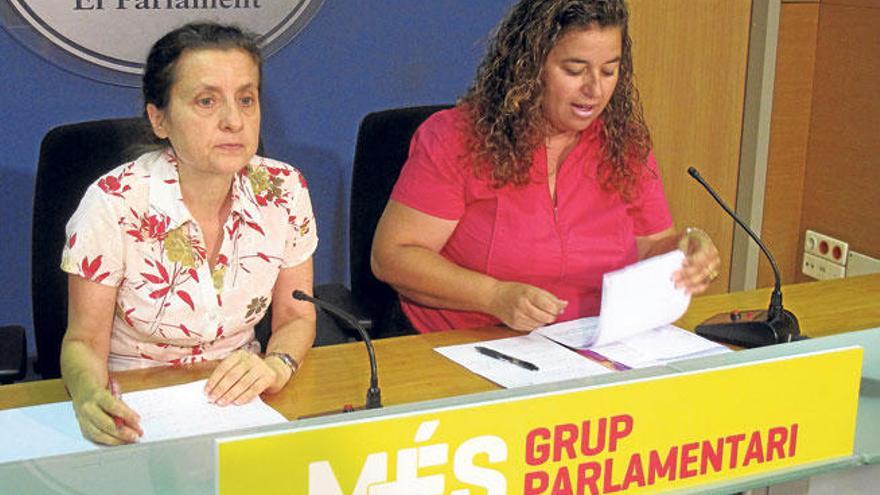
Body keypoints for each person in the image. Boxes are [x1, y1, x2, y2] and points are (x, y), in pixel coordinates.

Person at [372, 0, 720, 334]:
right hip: (463, 344)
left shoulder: (624, 143)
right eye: (574, 70)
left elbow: (647, 246)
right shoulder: (457, 138)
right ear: (530, 64)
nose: (594, 89)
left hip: (587, 344)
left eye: (609, 70)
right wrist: (493, 296)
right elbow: (394, 256)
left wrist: (684, 250)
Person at [59, 23, 318, 445]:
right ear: (158, 119)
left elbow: (296, 316)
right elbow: (83, 341)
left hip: (242, 402)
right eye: (206, 101)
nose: (233, 121)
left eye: (246, 100)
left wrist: (276, 365)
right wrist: (89, 397)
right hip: (138, 408)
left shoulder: (284, 190)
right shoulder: (114, 202)